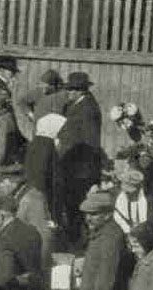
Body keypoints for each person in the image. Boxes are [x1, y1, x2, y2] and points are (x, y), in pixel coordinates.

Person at [57, 72, 103, 245]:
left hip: (80, 167)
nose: (68, 92)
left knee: (76, 205)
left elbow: (91, 142)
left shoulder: (88, 109)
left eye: (71, 90)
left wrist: (90, 174)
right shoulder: (76, 105)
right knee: (72, 205)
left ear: (80, 91)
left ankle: (78, 241)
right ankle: (75, 238)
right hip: (73, 163)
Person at [20, 112, 65, 279]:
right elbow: (53, 179)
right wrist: (55, 212)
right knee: (44, 237)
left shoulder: (35, 143)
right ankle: (42, 274)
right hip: (42, 197)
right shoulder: (48, 146)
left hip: (31, 193)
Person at [14, 69, 67, 142]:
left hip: (56, 129)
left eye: (46, 85)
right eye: (42, 84)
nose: (43, 87)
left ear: (53, 86)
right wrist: (30, 114)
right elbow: (22, 102)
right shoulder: (37, 92)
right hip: (39, 129)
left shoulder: (62, 94)